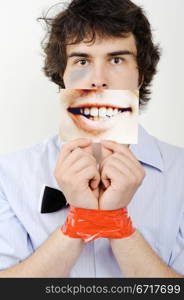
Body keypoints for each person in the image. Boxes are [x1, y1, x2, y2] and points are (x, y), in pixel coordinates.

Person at [0, 0, 184, 278]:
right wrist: (79, 221)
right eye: (82, 61)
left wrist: (116, 223)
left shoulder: (180, 171)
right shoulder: (9, 174)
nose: (98, 79)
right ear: (63, 75)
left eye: (116, 59)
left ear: (140, 75)